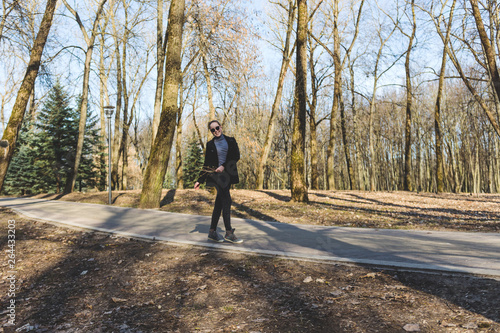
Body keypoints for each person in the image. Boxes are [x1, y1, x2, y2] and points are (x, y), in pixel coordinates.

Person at [194, 120, 243, 243]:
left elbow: (236, 156)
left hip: (227, 174)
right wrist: (200, 180)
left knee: (219, 203)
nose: (216, 131)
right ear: (211, 131)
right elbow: (207, 164)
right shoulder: (210, 144)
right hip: (216, 175)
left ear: (221, 127)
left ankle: (212, 232)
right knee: (226, 200)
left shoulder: (231, 140)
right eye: (212, 130)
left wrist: (224, 166)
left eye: (217, 128)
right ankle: (228, 232)